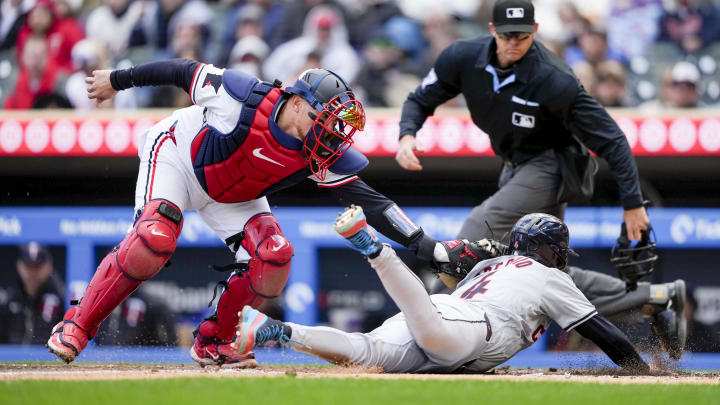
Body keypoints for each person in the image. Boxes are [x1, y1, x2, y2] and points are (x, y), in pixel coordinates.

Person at [47, 59, 445, 368]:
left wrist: (422, 242)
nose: (333, 132)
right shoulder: (239, 94)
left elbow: (371, 200)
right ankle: (78, 324)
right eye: (326, 118)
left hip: (235, 194)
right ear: (299, 102)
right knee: (154, 238)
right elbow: (181, 70)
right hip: (179, 156)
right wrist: (118, 79)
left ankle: (213, 341)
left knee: (274, 256)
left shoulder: (319, 150)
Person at [394, 0, 686, 360]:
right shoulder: (462, 57)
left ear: (534, 32)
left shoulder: (553, 78)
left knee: (476, 230)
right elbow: (420, 99)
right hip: (515, 163)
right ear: (491, 31)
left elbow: (612, 139)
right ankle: (656, 299)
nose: (513, 42)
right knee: (539, 274)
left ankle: (431, 329)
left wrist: (633, 203)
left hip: (555, 164)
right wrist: (407, 134)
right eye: (506, 35)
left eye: (521, 35)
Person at [234, 207, 650, 374]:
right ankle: (372, 248)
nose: (562, 259)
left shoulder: (492, 263)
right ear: (548, 250)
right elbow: (603, 333)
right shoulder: (550, 276)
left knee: (365, 355)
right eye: (558, 252)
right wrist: (642, 370)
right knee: (428, 332)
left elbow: (449, 265)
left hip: (446, 309)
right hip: (466, 329)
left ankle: (278, 330)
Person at [0, 243, 65, 344]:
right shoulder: (8, 298)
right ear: (19, 266)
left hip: (48, 356)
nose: (32, 272)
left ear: (48, 266)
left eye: (37, 266)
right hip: (11, 357)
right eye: (28, 266)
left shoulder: (61, 297)